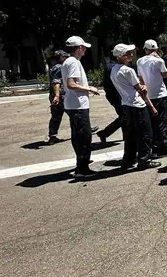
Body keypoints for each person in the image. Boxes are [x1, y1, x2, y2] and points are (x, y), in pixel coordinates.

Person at [110, 44, 162, 170]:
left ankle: (128, 160)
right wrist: (151, 105)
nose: (131, 55)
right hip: (137, 105)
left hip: (126, 104)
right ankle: (144, 160)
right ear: (121, 56)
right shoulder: (128, 70)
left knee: (130, 135)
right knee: (145, 133)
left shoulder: (114, 70)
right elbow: (140, 89)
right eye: (128, 53)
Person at [62, 36, 100, 178]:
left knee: (79, 134)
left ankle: (82, 163)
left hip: (75, 104)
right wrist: (89, 88)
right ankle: (82, 169)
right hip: (77, 105)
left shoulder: (70, 61)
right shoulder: (73, 62)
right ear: (79, 48)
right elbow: (71, 84)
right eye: (83, 47)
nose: (84, 50)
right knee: (83, 135)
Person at [137, 39, 167, 157]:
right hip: (160, 94)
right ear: (156, 50)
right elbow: (166, 74)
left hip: (148, 94)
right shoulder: (158, 61)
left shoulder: (140, 61)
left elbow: (140, 77)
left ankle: (154, 146)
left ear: (145, 49)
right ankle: (163, 146)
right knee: (162, 121)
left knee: (152, 121)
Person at [97, 58, 124, 144]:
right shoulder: (114, 67)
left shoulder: (110, 67)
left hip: (113, 95)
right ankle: (104, 133)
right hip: (117, 95)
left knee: (124, 116)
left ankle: (126, 136)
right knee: (125, 116)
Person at [47, 50, 69, 144]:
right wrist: (57, 95)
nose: (66, 58)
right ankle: (84, 128)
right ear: (60, 57)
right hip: (61, 95)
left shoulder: (54, 67)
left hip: (56, 95)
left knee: (56, 116)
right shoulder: (59, 67)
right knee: (74, 113)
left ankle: (52, 136)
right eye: (65, 57)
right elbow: (56, 82)